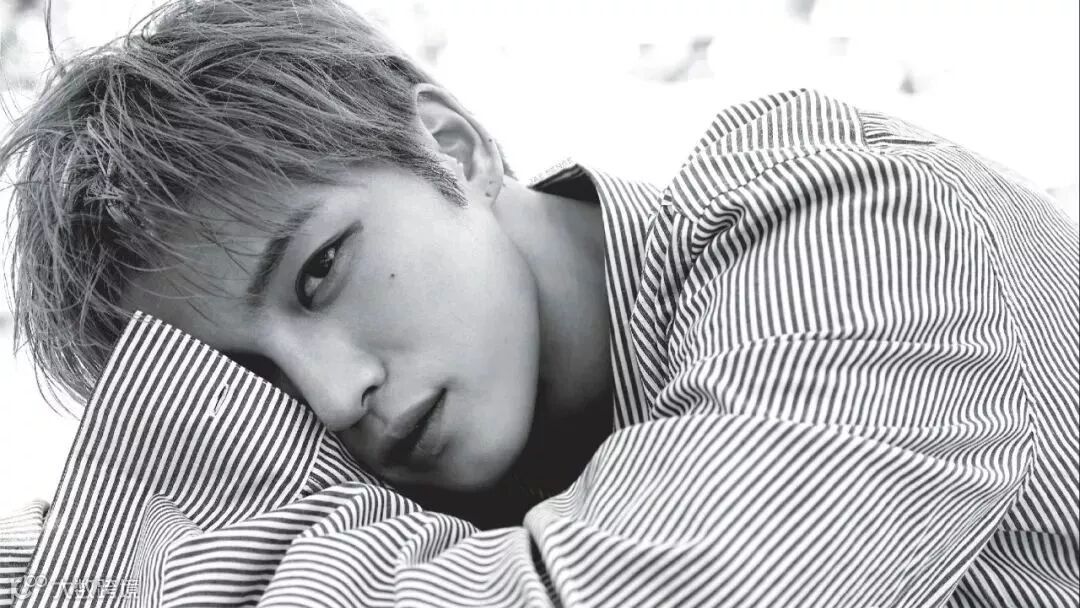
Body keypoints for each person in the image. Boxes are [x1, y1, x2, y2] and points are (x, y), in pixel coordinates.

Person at [0, 1, 1076, 606]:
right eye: (251, 379)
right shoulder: (420, 500)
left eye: (318, 272)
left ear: (452, 148)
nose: (331, 395)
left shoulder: (851, 218)